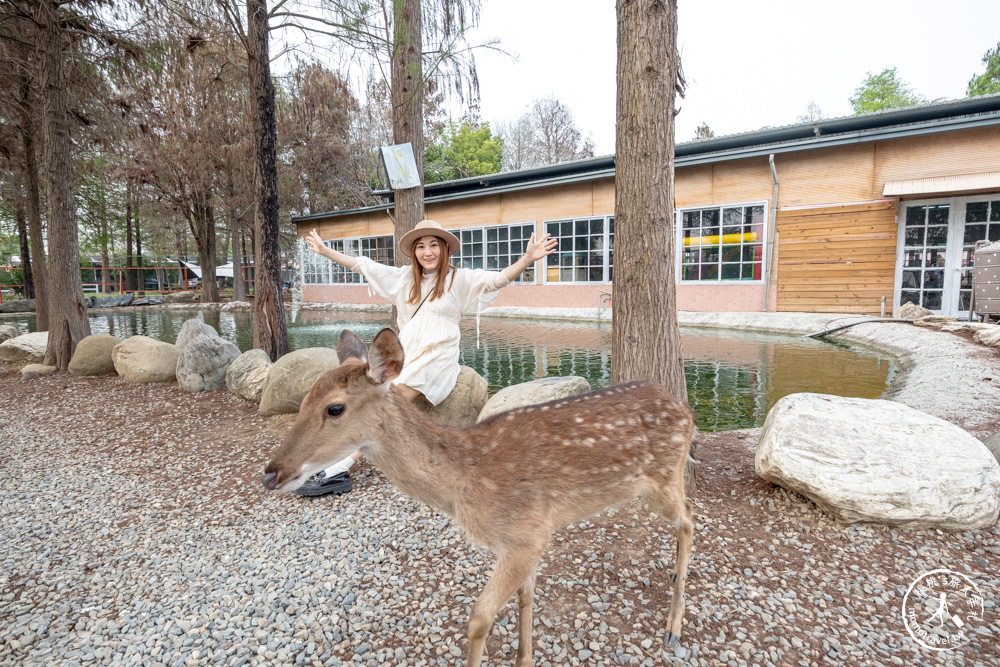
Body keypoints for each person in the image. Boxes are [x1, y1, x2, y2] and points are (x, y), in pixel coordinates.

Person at [293, 219, 558, 496]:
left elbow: (497, 279)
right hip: (406, 352)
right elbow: (362, 265)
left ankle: (339, 469)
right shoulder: (405, 277)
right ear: (415, 251)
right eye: (421, 246)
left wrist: (527, 259)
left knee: (385, 406)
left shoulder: (459, 278)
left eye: (434, 245)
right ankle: (328, 455)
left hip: (437, 355)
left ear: (444, 249)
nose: (427, 252)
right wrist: (325, 252)